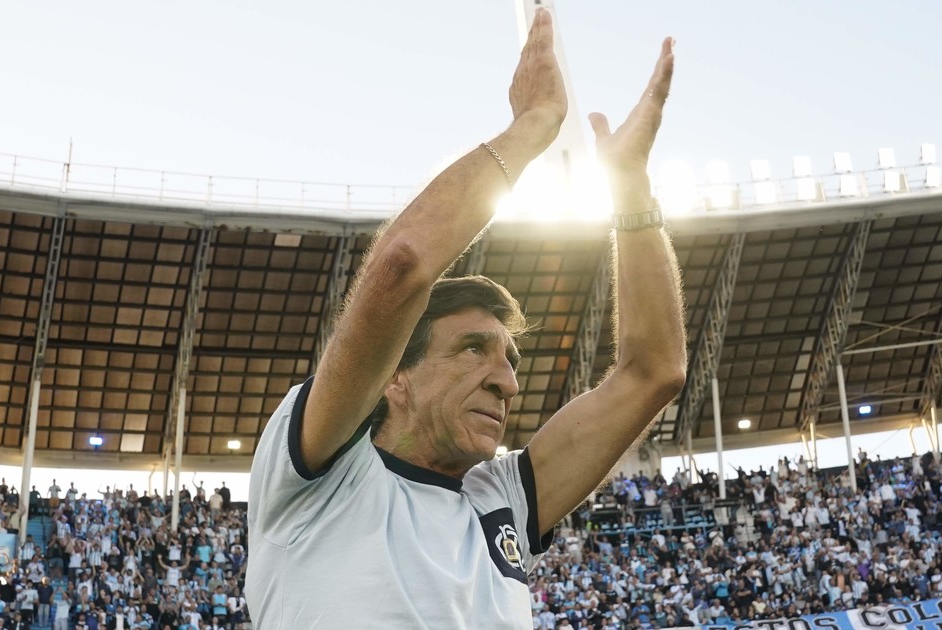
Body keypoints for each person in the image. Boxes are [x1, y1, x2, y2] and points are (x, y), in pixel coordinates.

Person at [246, 9, 683, 628]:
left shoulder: (500, 500)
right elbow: (402, 264)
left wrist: (631, 188)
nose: (507, 382)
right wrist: (533, 126)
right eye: (474, 349)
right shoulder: (325, 469)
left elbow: (653, 372)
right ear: (395, 377)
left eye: (510, 359)